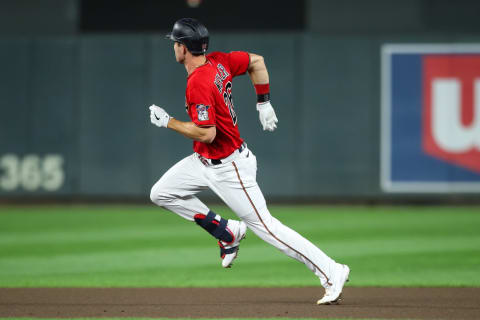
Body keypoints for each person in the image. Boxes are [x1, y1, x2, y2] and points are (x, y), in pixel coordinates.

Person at [149, 18, 350, 305]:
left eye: (175, 43)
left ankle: (331, 271)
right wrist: (264, 101)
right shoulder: (218, 62)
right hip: (204, 162)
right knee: (162, 193)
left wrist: (168, 122)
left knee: (267, 227)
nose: (174, 47)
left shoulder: (198, 82)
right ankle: (226, 231)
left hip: (229, 167)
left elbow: (207, 133)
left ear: (183, 48)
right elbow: (257, 61)